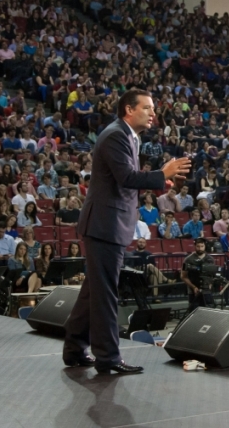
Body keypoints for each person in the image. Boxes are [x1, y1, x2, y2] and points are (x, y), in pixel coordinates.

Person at [63, 89, 190, 375]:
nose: (153, 113)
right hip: (104, 224)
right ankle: (108, 358)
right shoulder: (115, 135)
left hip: (111, 223)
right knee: (106, 293)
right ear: (129, 110)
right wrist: (163, 173)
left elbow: (124, 181)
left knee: (93, 291)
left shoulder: (129, 136)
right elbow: (127, 178)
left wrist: (164, 182)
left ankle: (73, 348)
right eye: (147, 107)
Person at [180, 238, 217, 312]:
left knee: (209, 312)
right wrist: (193, 287)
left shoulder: (210, 259)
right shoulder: (188, 259)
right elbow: (183, 276)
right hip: (193, 290)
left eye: (202, 246)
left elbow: (213, 275)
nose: (200, 248)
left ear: (205, 246)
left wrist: (210, 283)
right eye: (198, 246)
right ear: (195, 246)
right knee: (194, 312)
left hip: (207, 291)